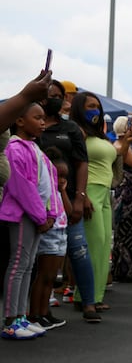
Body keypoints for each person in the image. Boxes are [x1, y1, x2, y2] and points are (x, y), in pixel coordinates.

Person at [36, 81, 101, 322]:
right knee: (41, 258)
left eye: (57, 96)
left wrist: (79, 197)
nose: (52, 99)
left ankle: (89, 303)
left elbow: (81, 163)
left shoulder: (71, 128)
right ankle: (39, 310)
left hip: (67, 199)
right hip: (38, 202)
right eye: (48, 95)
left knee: (79, 250)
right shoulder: (34, 124)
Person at [1, 102, 53, 339]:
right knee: (18, 264)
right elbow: (21, 187)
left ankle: (20, 316)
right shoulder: (14, 148)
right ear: (19, 121)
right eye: (37, 117)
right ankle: (11, 320)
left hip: (35, 215)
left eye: (43, 118)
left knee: (27, 265)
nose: (43, 122)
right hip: (23, 215)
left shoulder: (33, 148)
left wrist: (49, 213)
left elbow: (47, 183)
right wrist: (41, 215)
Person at [70, 92, 117, 313]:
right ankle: (85, 296)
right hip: (89, 191)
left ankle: (94, 295)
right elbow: (74, 165)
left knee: (103, 245)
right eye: (90, 106)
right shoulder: (76, 131)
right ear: (80, 108)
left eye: (97, 106)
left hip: (106, 192)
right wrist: (82, 195)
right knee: (94, 244)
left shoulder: (99, 136)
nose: (96, 110)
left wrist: (126, 143)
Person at [28, 147, 70, 330]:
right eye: (57, 175)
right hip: (50, 233)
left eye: (64, 176)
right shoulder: (45, 192)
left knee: (52, 277)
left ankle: (45, 312)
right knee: (43, 275)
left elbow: (69, 211)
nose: (60, 180)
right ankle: (35, 313)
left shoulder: (59, 193)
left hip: (62, 232)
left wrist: (64, 190)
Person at [110, 115, 132, 283]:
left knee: (130, 234)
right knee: (129, 234)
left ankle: (128, 267)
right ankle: (128, 269)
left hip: (127, 193)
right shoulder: (122, 147)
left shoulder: (123, 146)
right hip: (128, 194)